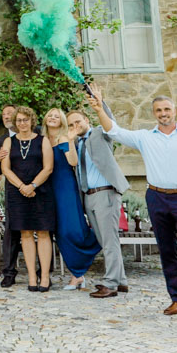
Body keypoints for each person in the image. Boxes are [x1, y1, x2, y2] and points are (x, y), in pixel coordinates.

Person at [90, 85, 177, 320]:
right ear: (154, 114)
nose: (163, 113)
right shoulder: (144, 137)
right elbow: (115, 131)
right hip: (157, 198)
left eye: (167, 109)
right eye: (159, 110)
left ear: (175, 111)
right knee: (167, 250)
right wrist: (100, 108)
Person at [67, 100, 130, 299]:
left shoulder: (99, 134)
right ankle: (121, 281)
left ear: (86, 120)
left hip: (105, 193)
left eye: (77, 122)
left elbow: (109, 122)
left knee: (110, 240)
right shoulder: (76, 143)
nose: (74, 127)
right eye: (70, 125)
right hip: (88, 195)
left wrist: (99, 104)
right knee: (105, 240)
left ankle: (111, 283)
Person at [43, 107, 100, 290]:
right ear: (45, 120)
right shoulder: (42, 139)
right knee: (58, 232)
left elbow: (73, 162)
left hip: (64, 187)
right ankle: (77, 275)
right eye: (50, 115)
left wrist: (70, 139)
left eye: (56, 116)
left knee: (70, 229)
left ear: (61, 121)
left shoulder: (63, 138)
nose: (52, 118)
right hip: (46, 188)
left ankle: (81, 267)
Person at [1, 106, 55, 292]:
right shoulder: (9, 142)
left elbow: (48, 167)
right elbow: (6, 169)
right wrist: (22, 187)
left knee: (43, 233)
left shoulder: (43, 141)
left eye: (25, 120)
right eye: (18, 120)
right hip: (18, 192)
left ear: (32, 121)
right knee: (25, 234)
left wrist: (32, 186)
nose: (22, 123)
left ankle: (45, 276)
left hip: (41, 191)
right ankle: (31, 276)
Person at [0, 104, 24, 286]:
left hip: (35, 187)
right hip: (13, 190)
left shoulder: (36, 133)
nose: (6, 117)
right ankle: (9, 272)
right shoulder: (0, 141)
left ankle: (43, 271)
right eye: (3, 114)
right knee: (11, 232)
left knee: (40, 231)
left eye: (10, 114)